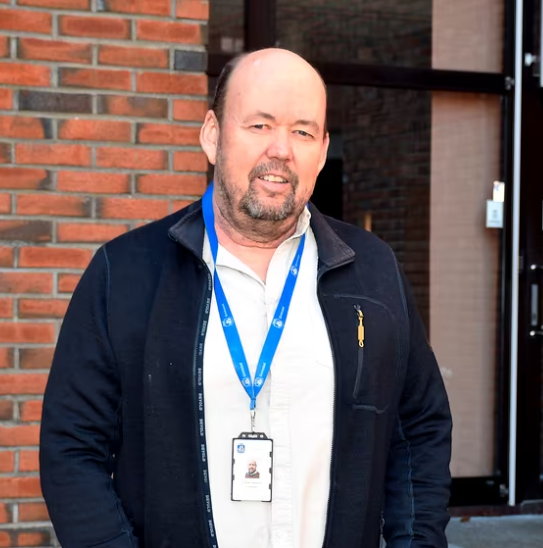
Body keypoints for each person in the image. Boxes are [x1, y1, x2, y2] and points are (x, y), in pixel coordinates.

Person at [40, 48, 452, 548]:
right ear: (212, 136)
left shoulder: (372, 271)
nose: (281, 149)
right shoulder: (125, 274)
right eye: (259, 125)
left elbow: (419, 429)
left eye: (303, 132)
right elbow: (72, 449)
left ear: (323, 151)